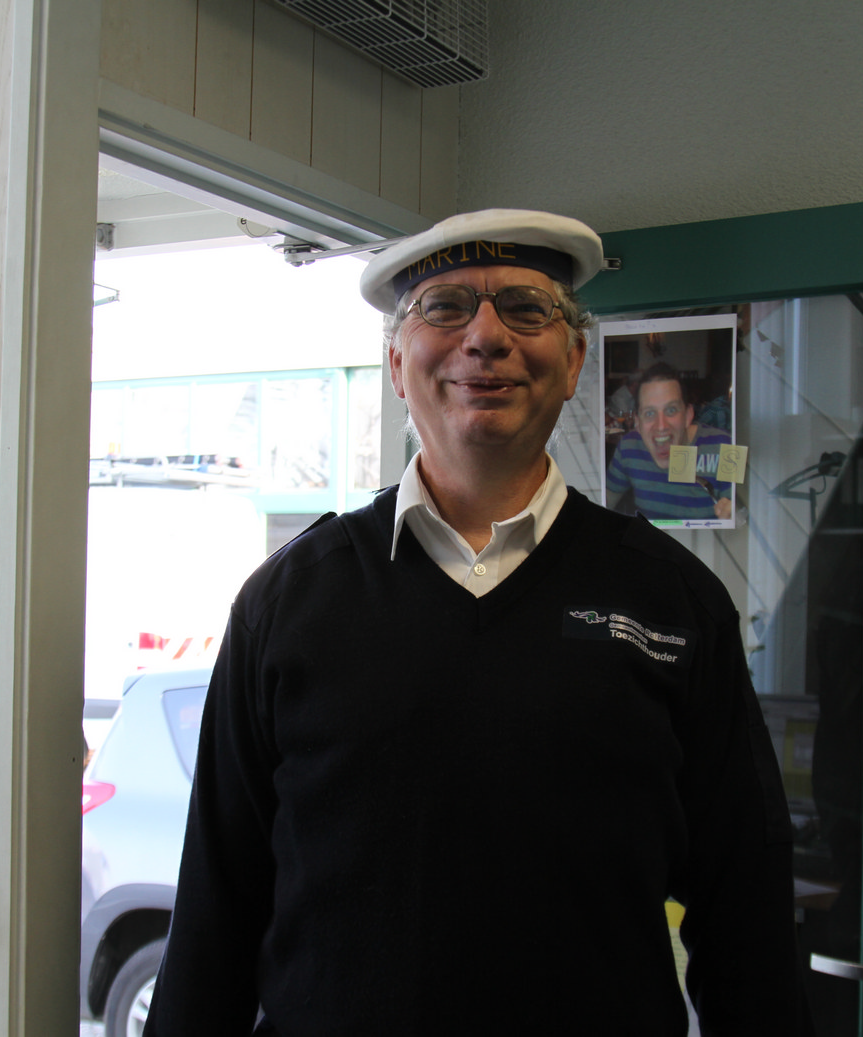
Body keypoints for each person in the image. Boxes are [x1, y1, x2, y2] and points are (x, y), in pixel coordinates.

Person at [143, 209, 808, 1035]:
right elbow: (214, 916)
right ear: (396, 363)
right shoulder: (286, 603)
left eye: (526, 308)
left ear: (574, 360)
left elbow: (745, 912)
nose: (485, 336)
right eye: (445, 306)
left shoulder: (673, 600)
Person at [607, 362, 734, 521]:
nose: (661, 426)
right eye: (649, 413)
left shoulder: (727, 447)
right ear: (637, 422)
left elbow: (743, 517)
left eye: (671, 410)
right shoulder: (628, 447)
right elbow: (604, 502)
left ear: (688, 415)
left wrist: (734, 519)